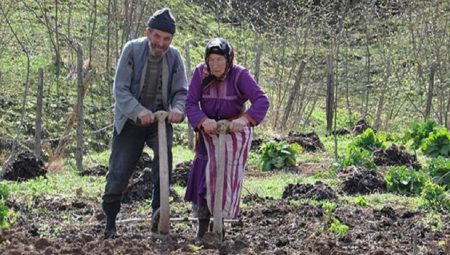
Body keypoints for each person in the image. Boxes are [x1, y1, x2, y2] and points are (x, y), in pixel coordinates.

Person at [102, 7, 187, 239]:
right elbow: (120, 90)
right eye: (157, 37)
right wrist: (139, 111)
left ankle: (159, 213)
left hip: (160, 121)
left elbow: (181, 91)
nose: (161, 43)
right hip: (131, 119)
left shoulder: (175, 56)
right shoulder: (131, 50)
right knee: (119, 170)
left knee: (164, 162)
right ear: (148, 33)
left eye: (166, 39)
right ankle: (110, 221)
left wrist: (178, 109)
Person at [184, 38, 269, 239]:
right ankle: (202, 227)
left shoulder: (240, 75)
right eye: (211, 60)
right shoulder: (200, 73)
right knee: (203, 175)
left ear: (228, 60)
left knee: (224, 177)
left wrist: (245, 119)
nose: (215, 65)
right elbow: (190, 103)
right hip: (209, 133)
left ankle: (220, 225)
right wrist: (203, 121)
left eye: (219, 60)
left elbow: (261, 100)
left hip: (233, 132)